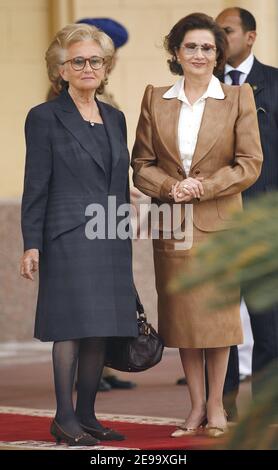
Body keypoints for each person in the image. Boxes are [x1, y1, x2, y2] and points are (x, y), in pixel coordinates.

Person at [131, 12, 263, 438]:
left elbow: (249, 164)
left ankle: (217, 407)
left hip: (221, 223)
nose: (200, 54)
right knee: (185, 320)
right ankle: (193, 408)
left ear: (218, 53)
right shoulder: (155, 98)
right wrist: (172, 187)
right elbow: (141, 165)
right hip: (173, 224)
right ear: (176, 51)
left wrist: (201, 188)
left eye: (208, 47)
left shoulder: (238, 99)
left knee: (219, 319)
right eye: (191, 46)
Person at [20, 23, 138, 445]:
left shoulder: (116, 117)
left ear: (105, 68)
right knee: (70, 327)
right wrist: (31, 243)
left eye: (95, 61)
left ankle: (87, 416)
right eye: (78, 61)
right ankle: (63, 417)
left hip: (109, 232)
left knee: (100, 328)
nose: (88, 67)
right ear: (62, 69)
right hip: (66, 235)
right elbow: (35, 184)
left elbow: (118, 181)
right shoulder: (45, 117)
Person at [216, 7, 278, 420]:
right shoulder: (203, 87)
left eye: (227, 31)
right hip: (215, 221)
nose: (219, 40)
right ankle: (223, 406)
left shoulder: (274, 83)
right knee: (219, 322)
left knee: (268, 319)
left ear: (250, 37)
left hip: (263, 222)